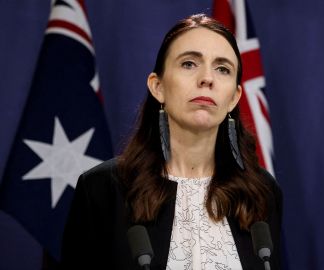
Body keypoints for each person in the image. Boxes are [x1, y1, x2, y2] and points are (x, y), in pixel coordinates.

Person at [60, 14, 282, 270]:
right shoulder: (103, 188)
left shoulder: (262, 191)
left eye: (223, 69)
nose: (207, 79)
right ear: (158, 87)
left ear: (234, 97)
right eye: (189, 64)